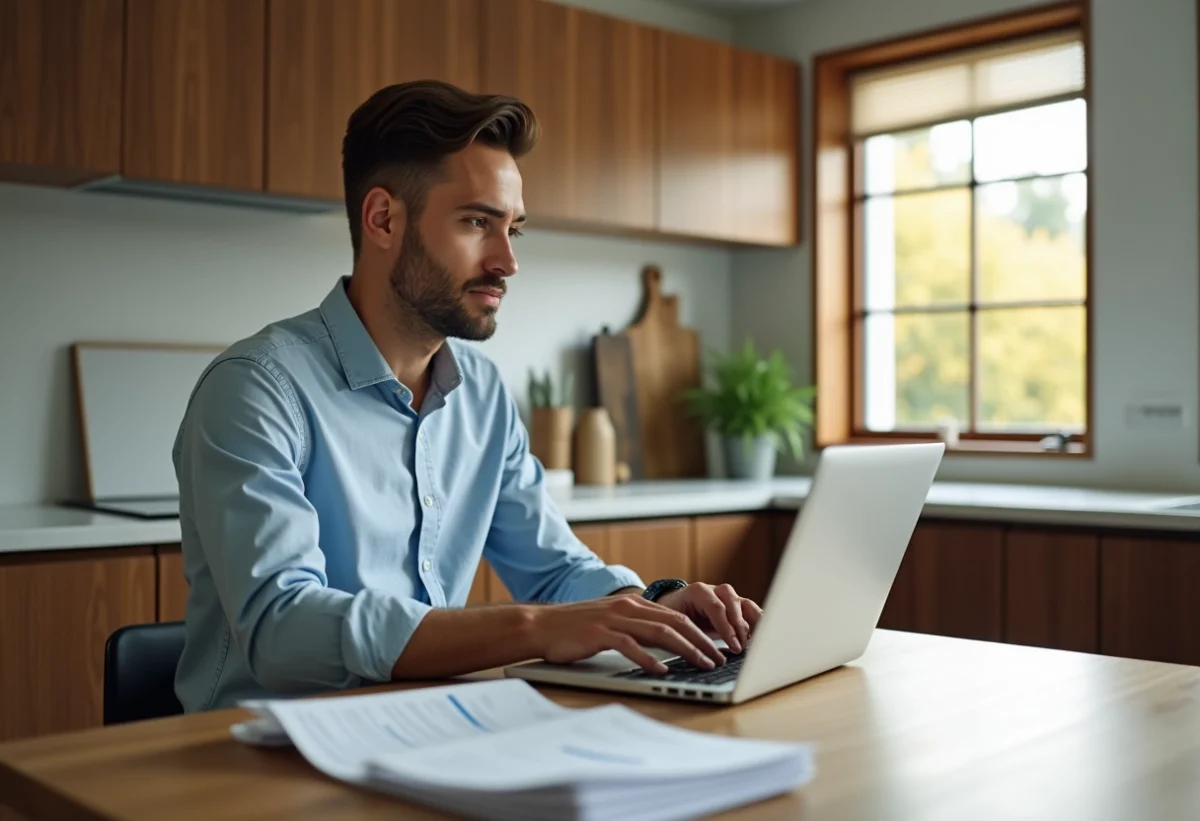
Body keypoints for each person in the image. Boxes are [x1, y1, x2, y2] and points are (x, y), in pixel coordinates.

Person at [172, 80, 763, 712]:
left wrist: (652, 604)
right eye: (478, 222)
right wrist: (532, 628)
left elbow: (557, 571)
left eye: (514, 229)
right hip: (260, 753)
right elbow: (283, 631)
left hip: (424, 725)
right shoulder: (257, 388)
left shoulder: (481, 394)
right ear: (383, 219)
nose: (507, 261)